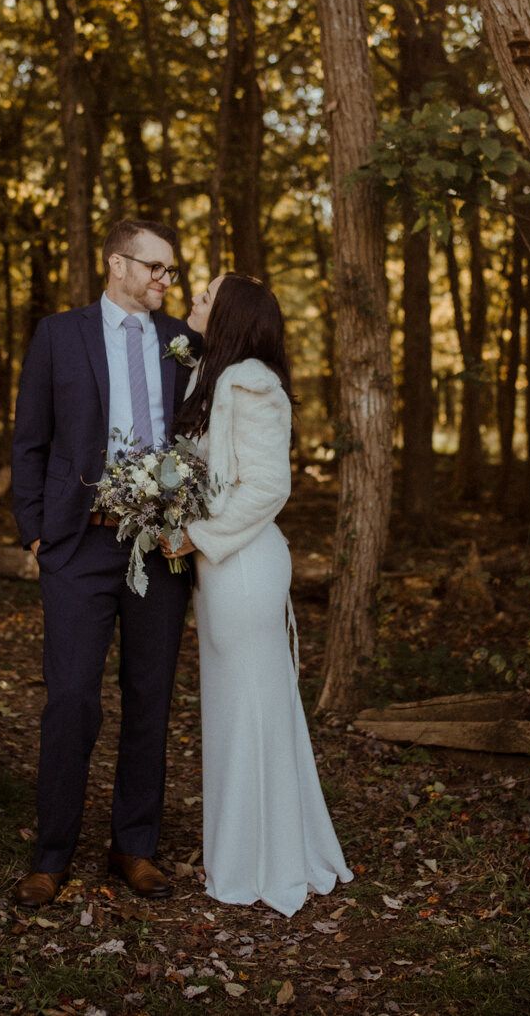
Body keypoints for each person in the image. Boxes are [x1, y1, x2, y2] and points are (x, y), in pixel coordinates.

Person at [8, 218, 200, 907]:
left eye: (171, 271)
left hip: (161, 543)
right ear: (117, 264)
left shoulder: (182, 340)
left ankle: (134, 844)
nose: (165, 280)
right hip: (77, 541)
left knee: (150, 696)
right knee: (72, 699)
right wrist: (35, 532)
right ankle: (51, 852)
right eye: (156, 267)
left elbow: (201, 434)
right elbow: (29, 437)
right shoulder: (59, 334)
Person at [172, 272, 350, 915]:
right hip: (221, 567)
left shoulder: (253, 384)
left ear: (233, 315)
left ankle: (263, 860)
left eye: (205, 295)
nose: (193, 300)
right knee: (231, 709)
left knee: (252, 709)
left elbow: (269, 487)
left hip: (244, 563)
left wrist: (195, 535)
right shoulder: (211, 377)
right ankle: (242, 849)